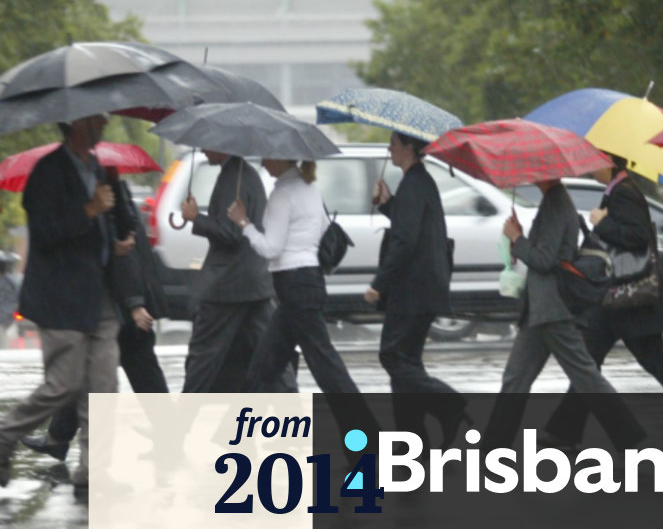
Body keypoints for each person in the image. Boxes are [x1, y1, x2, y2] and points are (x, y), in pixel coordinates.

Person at [0, 115, 134, 497]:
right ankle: (2, 435)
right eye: (97, 117)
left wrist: (112, 238)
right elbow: (47, 234)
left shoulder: (97, 166)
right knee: (63, 385)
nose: (104, 121)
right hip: (62, 296)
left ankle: (93, 469)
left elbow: (109, 224)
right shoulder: (48, 172)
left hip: (98, 293)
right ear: (76, 123)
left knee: (104, 386)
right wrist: (88, 210)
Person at [540, 156, 663, 448]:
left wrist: (603, 222)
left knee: (655, 362)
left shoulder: (624, 192)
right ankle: (564, 431)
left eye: (595, 159)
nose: (590, 165)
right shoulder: (617, 190)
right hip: (616, 296)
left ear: (609, 160)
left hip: (631, 297)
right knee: (589, 361)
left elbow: (636, 236)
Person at [481, 177, 645, 450]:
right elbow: (545, 253)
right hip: (540, 310)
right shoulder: (552, 201)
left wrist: (517, 238)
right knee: (515, 378)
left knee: (585, 377)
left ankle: (630, 438)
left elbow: (545, 260)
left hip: (553, 310)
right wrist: (519, 240)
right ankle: (493, 448)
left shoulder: (557, 204)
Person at [20, 168, 170, 462]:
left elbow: (124, 254)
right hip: (112, 302)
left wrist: (134, 303)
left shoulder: (105, 194)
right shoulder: (106, 191)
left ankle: (170, 437)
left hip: (121, 305)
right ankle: (58, 439)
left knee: (141, 375)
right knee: (93, 373)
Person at [365, 131, 467, 445]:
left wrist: (379, 285)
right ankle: (413, 440)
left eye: (393, 144)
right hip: (423, 287)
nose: (389, 149)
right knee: (406, 362)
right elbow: (411, 226)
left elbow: (405, 241)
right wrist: (389, 204)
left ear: (409, 148)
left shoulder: (414, 184)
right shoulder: (418, 183)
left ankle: (449, 404)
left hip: (413, 289)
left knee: (393, 357)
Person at [229, 159, 361, 395]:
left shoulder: (283, 194)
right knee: (263, 367)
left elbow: (271, 249)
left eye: (268, 155)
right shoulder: (310, 188)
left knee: (325, 365)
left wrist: (244, 223)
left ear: (282, 158)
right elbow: (322, 232)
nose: (263, 160)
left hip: (295, 286)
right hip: (306, 284)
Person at [179, 150, 280, 394]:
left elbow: (230, 233)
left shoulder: (232, 178)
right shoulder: (247, 174)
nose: (203, 149)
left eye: (207, 143)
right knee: (269, 355)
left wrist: (195, 218)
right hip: (253, 283)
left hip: (227, 285)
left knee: (202, 358)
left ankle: (177, 426)